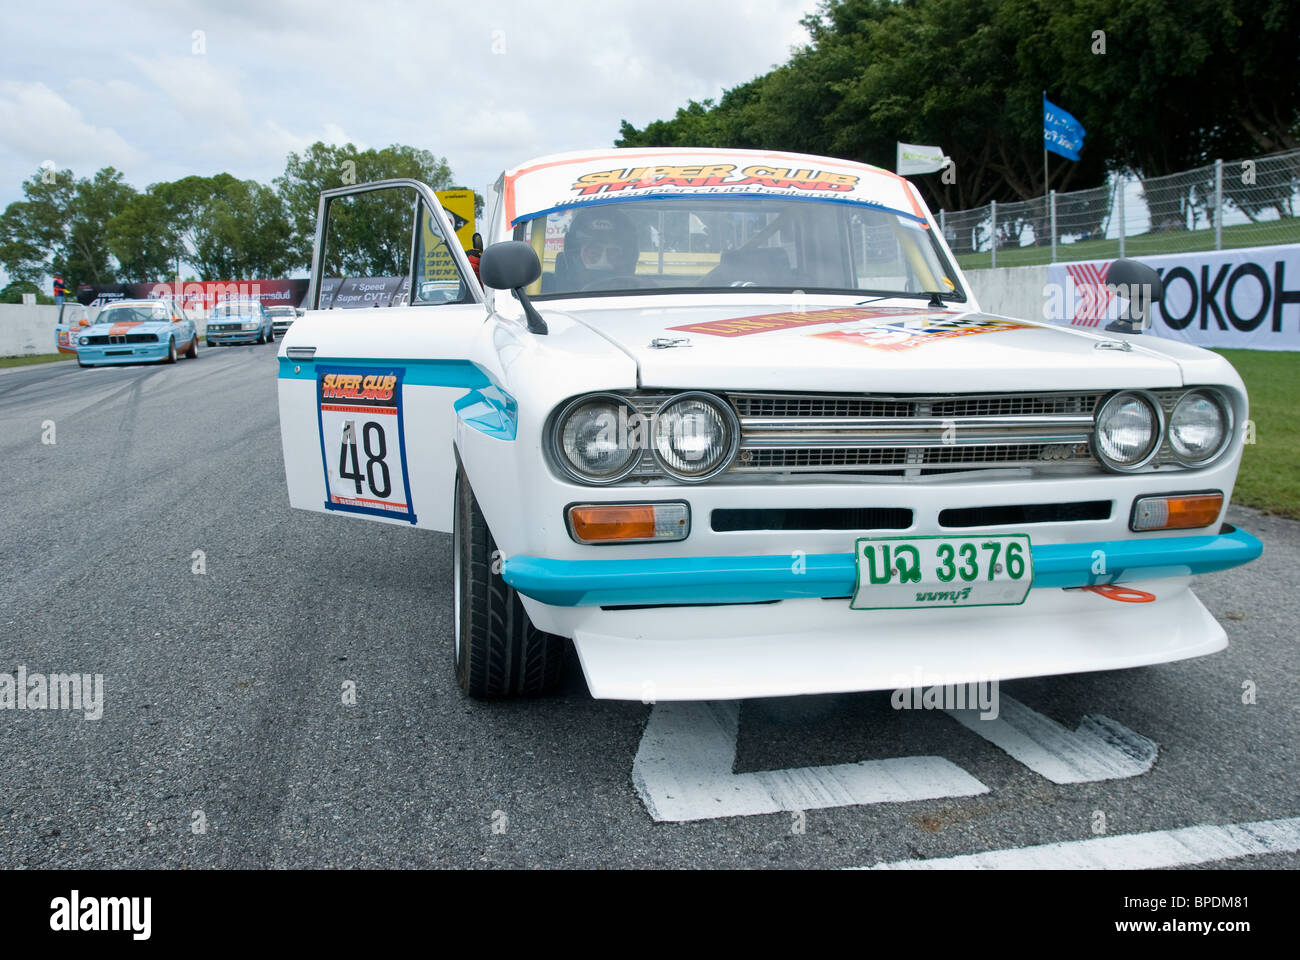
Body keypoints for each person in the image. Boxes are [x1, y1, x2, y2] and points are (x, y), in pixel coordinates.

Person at [558, 208, 639, 291]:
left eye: (612, 253)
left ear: (628, 257)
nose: (602, 259)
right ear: (575, 256)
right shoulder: (551, 294)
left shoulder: (644, 291)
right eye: (593, 253)